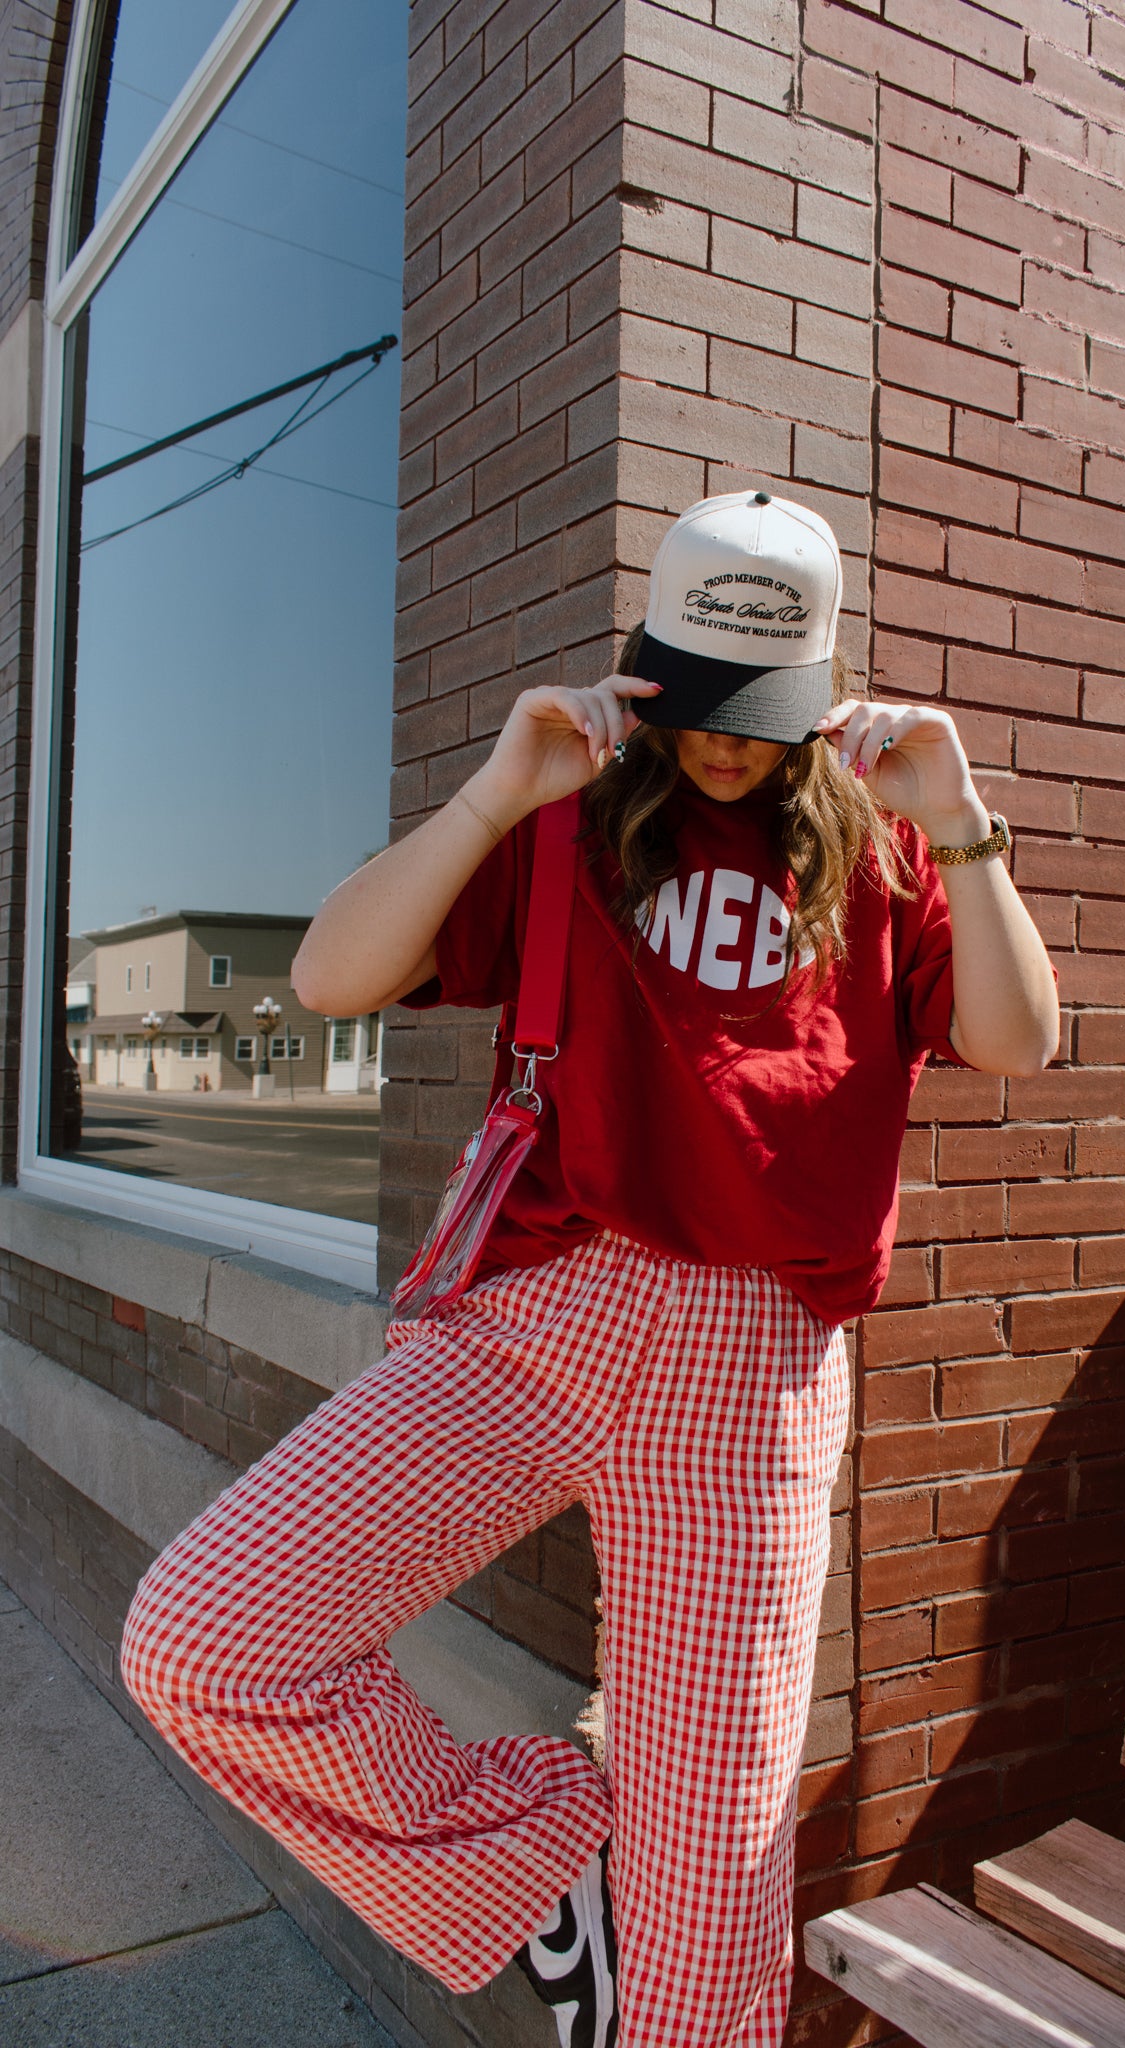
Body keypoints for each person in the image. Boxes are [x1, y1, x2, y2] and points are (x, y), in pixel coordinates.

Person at [120, 491, 1058, 2048]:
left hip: (753, 1372)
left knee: (715, 1892)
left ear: (816, 699)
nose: (722, 748)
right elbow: (330, 975)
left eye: (756, 719)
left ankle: (655, 1946)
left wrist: (956, 814)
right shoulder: (567, 824)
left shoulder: (888, 852)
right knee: (211, 1643)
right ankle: (555, 1869)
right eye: (694, 708)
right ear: (646, 675)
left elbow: (1013, 1038)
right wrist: (497, 790)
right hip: (540, 1318)